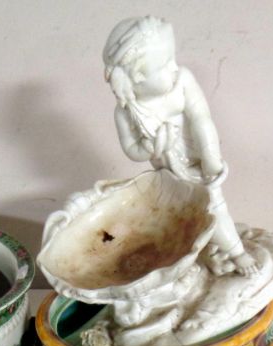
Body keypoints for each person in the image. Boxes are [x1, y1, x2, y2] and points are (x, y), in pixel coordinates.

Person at [103, 16, 258, 276]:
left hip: (196, 164)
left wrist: (210, 158)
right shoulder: (127, 112)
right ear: (138, 77)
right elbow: (131, 149)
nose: (174, 67)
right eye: (165, 64)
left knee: (213, 205)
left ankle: (236, 252)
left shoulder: (183, 81)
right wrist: (151, 148)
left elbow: (201, 119)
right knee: (181, 218)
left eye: (173, 59)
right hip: (168, 176)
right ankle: (205, 250)